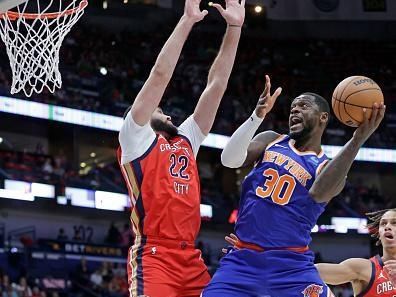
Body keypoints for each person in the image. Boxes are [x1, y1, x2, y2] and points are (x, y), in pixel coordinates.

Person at [202, 75, 385, 297]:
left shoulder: (326, 168)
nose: (294, 111)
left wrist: (357, 140)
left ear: (323, 117)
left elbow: (318, 193)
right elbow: (229, 160)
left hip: (292, 266)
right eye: (292, 108)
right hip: (242, 260)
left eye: (303, 106)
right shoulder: (271, 139)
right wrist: (256, 117)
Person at [117, 0, 245, 295]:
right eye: (160, 109)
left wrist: (234, 28)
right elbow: (160, 75)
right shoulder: (134, 138)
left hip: (191, 257)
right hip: (154, 256)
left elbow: (217, 84)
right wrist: (187, 21)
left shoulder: (185, 139)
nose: (168, 114)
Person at [316, 208, 396, 296]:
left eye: (394, 223)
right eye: (383, 223)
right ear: (379, 234)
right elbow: (312, 271)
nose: (387, 227)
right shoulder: (364, 268)